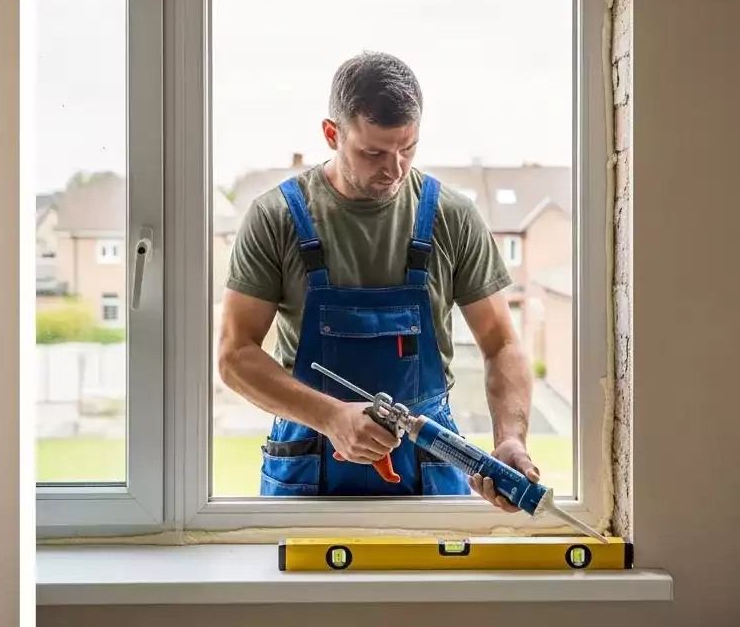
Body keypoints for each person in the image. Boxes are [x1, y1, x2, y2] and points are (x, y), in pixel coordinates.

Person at [218, 51, 538, 512]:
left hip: (428, 469)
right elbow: (234, 356)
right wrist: (330, 417)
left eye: (407, 148)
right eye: (372, 152)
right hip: (309, 471)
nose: (394, 169)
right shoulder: (277, 218)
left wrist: (511, 439)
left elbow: (501, 344)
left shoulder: (452, 217)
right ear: (332, 134)